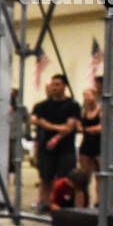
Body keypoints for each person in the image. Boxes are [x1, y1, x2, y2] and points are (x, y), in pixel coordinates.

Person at [30, 75, 81, 212]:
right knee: (45, 178)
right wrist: (58, 128)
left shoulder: (73, 105)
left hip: (65, 148)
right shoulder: (41, 106)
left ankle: (63, 206)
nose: (54, 87)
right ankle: (46, 205)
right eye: (53, 84)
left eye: (57, 84)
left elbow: (69, 127)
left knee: (65, 178)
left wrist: (55, 137)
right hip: (45, 148)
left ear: (64, 86)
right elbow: (35, 120)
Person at [77, 88, 101, 196]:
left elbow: (101, 127)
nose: (85, 98)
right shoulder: (84, 111)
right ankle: (84, 199)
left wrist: (86, 129)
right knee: (84, 176)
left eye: (88, 95)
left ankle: (100, 201)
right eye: (84, 96)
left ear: (95, 96)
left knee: (100, 176)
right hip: (86, 144)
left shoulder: (101, 111)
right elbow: (79, 126)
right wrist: (86, 129)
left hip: (99, 145)